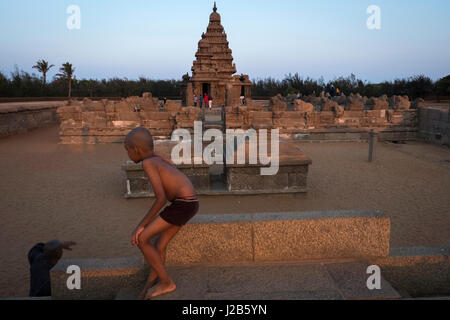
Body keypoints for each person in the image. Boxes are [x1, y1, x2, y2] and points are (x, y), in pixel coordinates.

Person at [124, 127, 199, 300]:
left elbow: (161, 198)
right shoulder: (156, 159)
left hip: (182, 204)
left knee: (142, 239)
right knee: (160, 245)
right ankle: (151, 283)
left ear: (135, 149)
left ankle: (166, 282)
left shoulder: (148, 163)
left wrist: (140, 226)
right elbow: (171, 166)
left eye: (127, 150)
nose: (128, 155)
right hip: (191, 203)